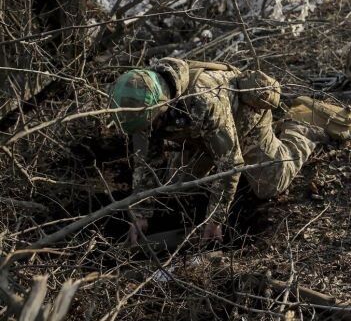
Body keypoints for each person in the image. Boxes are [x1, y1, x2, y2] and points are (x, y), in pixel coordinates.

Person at [110, 58, 322, 244]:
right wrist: (140, 214)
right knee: (176, 188)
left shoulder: (203, 100)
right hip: (200, 134)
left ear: (161, 108)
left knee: (270, 184)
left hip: (244, 119)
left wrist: (215, 219)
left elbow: (231, 163)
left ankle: (300, 128)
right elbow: (146, 161)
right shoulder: (140, 104)